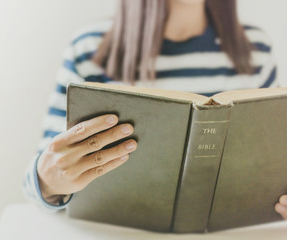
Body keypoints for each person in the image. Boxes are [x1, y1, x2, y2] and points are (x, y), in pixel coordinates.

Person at [23, 0, 287, 220]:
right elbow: (40, 179)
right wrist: (49, 183)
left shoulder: (256, 50)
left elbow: (275, 160)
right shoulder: (89, 48)